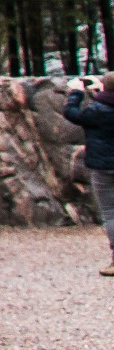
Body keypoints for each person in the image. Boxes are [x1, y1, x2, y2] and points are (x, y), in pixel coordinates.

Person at [63, 74, 114, 276]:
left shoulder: (95, 111)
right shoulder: (99, 106)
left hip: (101, 167)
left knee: (110, 213)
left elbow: (71, 113)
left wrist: (76, 92)